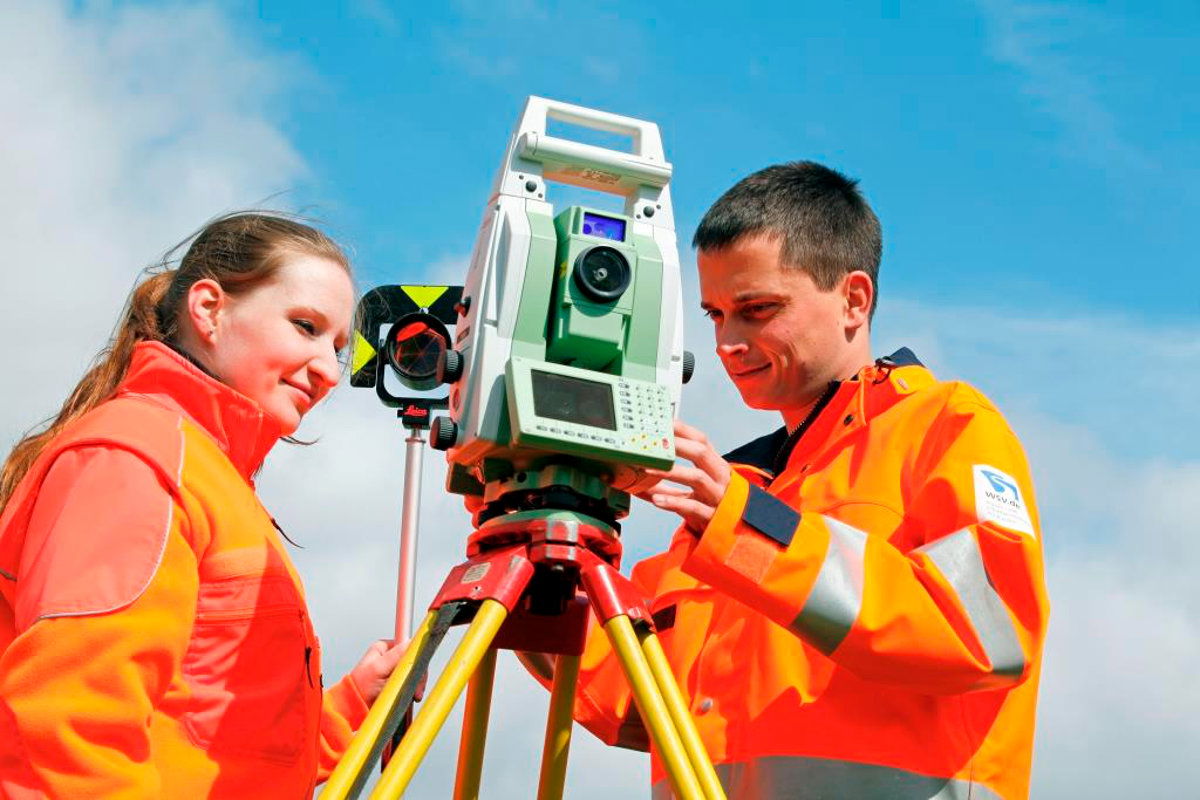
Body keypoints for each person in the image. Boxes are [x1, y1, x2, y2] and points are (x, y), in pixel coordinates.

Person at [555, 163, 1050, 799]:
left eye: (758, 310)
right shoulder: (741, 488)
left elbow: (986, 633)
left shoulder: (946, 426)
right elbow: (632, 700)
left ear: (854, 299)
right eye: (715, 315)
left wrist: (744, 528)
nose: (728, 341)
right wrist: (549, 551)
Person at [0, 213, 404, 797]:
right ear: (210, 308)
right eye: (305, 326)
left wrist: (347, 707)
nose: (327, 371)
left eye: (337, 347)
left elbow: (219, 746)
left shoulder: (214, 479)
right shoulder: (135, 458)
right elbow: (68, 732)